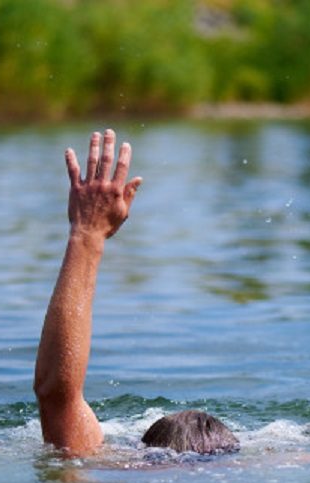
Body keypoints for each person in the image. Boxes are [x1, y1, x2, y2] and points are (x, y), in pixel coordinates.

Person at [34, 129, 239, 457]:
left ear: (141, 454)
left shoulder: (115, 473)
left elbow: (55, 394)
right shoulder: (265, 465)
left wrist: (87, 233)